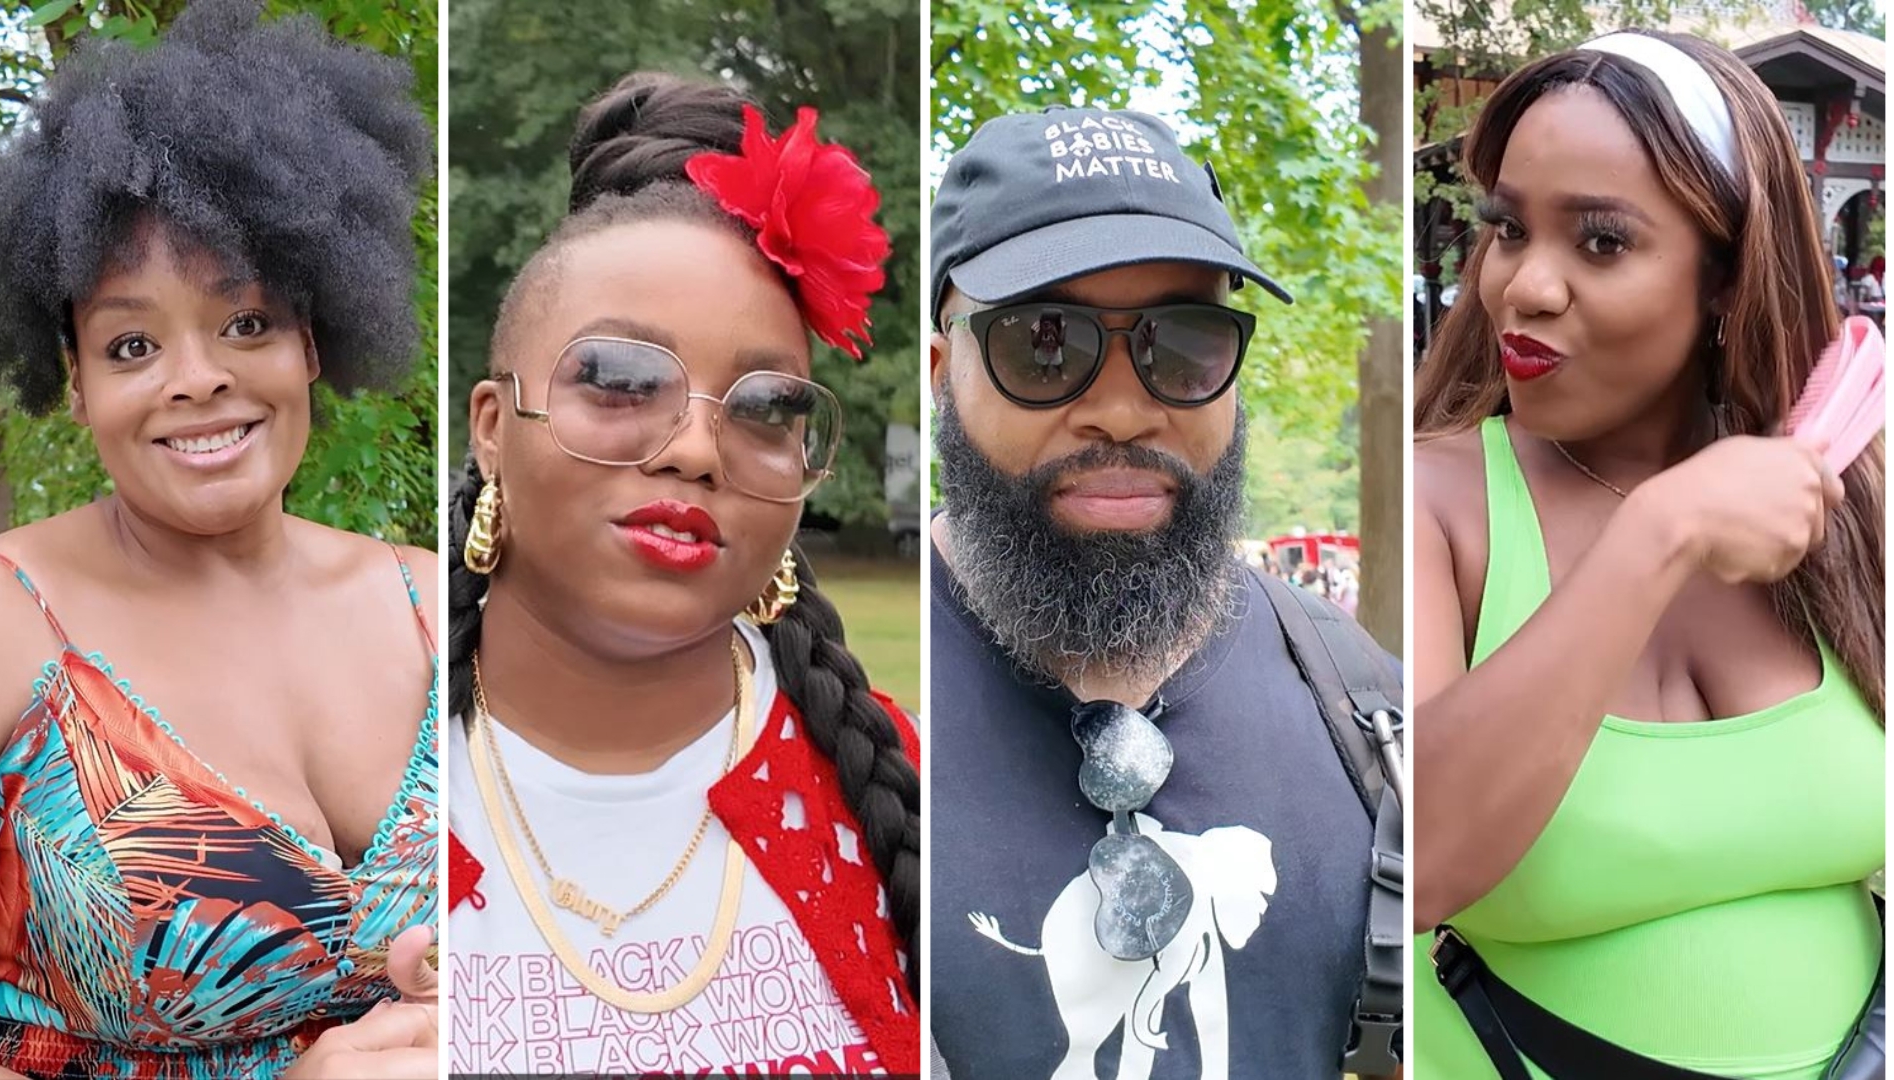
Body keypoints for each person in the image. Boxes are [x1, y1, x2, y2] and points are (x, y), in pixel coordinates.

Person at [0, 1, 440, 1077]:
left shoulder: (431, 604)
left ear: (313, 344)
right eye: (134, 343)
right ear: (77, 385)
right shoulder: (2, 624)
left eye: (247, 322)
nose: (199, 378)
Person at [1412, 30, 1884, 1079]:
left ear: (1726, 275)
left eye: (1602, 243)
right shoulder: (1435, 500)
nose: (1523, 288)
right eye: (1507, 229)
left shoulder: (1843, 502)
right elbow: (1420, 863)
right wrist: (1656, 536)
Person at [443, 73, 920, 1077]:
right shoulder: (363, 785)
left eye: (765, 408)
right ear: (493, 427)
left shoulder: (911, 791)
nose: (698, 449)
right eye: (619, 380)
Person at [928, 104, 1402, 1078]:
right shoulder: (827, 722)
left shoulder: (1372, 720)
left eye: (1181, 343)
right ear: (942, 372)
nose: (1121, 408)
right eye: (1043, 342)